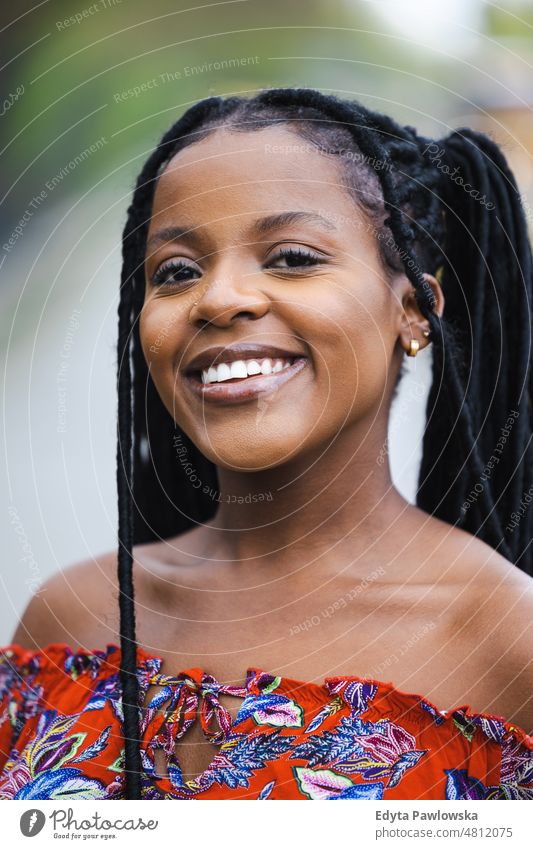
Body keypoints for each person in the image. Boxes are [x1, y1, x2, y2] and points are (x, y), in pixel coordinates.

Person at [1, 88, 532, 801]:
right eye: (176, 271)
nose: (218, 299)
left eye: (289, 256)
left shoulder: (506, 641)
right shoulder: (65, 618)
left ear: (412, 309)